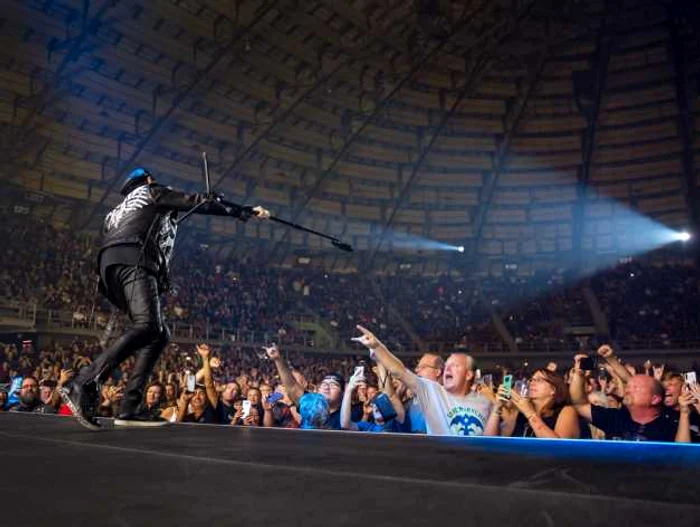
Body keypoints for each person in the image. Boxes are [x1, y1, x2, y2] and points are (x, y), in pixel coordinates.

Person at [60, 167, 270, 428]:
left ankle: (129, 408)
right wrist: (243, 210)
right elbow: (195, 201)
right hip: (135, 259)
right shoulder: (153, 192)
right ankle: (84, 382)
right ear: (147, 180)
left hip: (110, 269)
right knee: (148, 325)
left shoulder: (116, 211)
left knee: (158, 333)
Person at [352, 326, 492, 437]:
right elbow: (398, 374)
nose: (417, 371)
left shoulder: (481, 402)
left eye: (423, 367)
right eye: (417, 367)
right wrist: (377, 348)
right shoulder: (422, 395)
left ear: (438, 372)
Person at [485, 369, 580, 439]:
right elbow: (490, 440)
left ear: (553, 390)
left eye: (539, 380)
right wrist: (497, 407)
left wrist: (529, 413)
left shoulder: (567, 411)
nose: (532, 383)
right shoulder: (519, 414)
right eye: (532, 380)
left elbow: (558, 448)